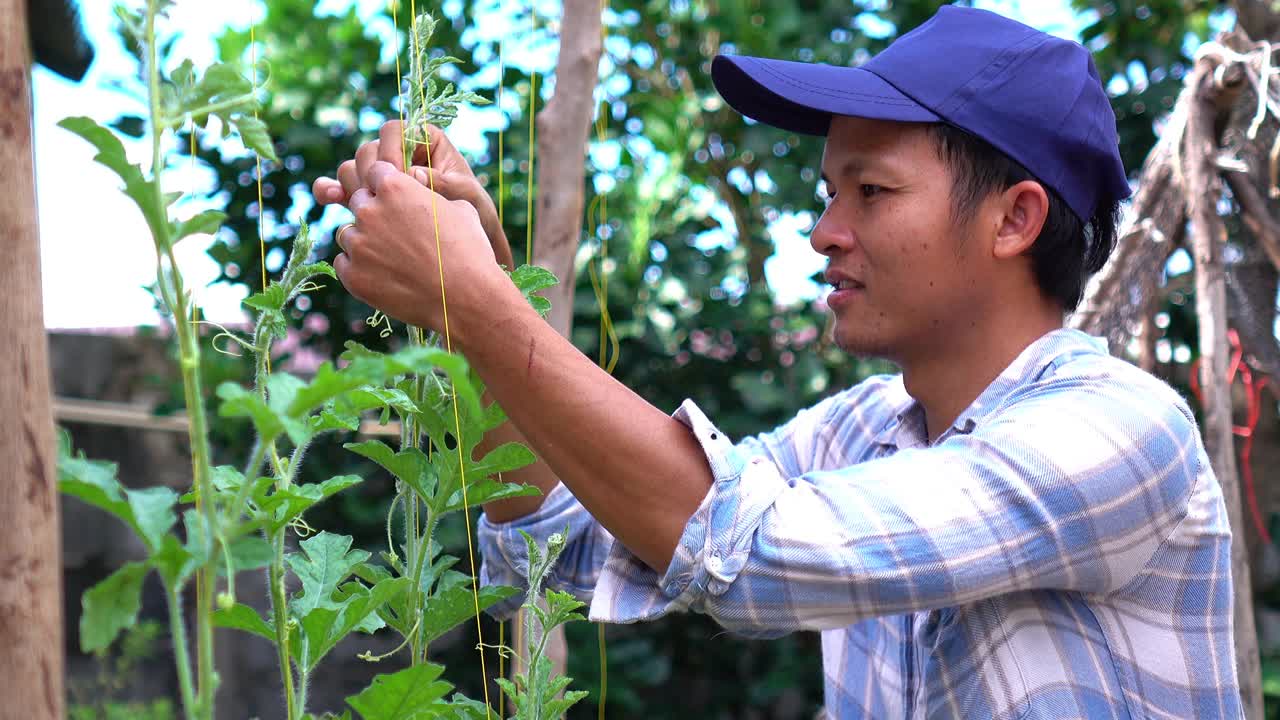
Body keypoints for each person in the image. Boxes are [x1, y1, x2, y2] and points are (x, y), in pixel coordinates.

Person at [312, 6, 1240, 718]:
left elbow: (749, 551)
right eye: (831, 190)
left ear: (1016, 219)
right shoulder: (862, 429)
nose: (824, 232)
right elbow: (568, 533)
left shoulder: (1119, 430)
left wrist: (474, 304)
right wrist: (483, 277)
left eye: (871, 191)